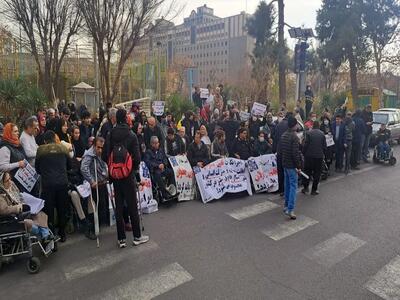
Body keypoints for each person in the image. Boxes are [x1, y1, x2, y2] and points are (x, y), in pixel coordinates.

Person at [106, 108, 148, 248]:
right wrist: (132, 170)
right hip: (128, 175)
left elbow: (106, 154)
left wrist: (112, 170)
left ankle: (121, 239)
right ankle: (137, 236)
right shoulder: (131, 135)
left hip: (115, 175)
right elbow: (137, 158)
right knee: (132, 206)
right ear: (126, 118)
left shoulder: (111, 133)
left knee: (118, 206)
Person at [35, 130, 71, 242]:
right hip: (62, 183)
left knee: (49, 211)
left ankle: (51, 235)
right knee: (62, 208)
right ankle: (62, 233)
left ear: (45, 140)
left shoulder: (40, 150)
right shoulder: (63, 149)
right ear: (55, 138)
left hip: (48, 184)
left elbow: (37, 168)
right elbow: (69, 166)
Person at [0, 171, 52, 245]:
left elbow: (19, 197)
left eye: (10, 179)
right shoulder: (1, 195)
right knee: (31, 223)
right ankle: (45, 236)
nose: (10, 182)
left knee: (39, 213)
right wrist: (18, 207)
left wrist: (24, 203)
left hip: (20, 213)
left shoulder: (12, 186)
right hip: (12, 218)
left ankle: (46, 237)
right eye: (7, 181)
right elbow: (3, 210)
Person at [278, 116, 303, 220]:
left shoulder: (283, 135)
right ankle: (290, 209)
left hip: (285, 164)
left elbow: (280, 151)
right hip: (292, 165)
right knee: (293, 186)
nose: (297, 126)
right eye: (297, 124)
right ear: (294, 125)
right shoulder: (295, 137)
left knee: (287, 185)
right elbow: (295, 154)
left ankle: (286, 206)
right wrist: (299, 166)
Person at [81, 137, 109, 226]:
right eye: (98, 147)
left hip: (103, 181)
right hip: (95, 184)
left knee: (104, 204)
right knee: (98, 205)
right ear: (94, 146)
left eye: (102, 148)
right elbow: (84, 168)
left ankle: (103, 221)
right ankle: (94, 225)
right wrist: (91, 181)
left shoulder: (102, 153)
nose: (100, 150)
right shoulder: (89, 155)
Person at [144, 136, 175, 202]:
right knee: (158, 175)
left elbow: (165, 159)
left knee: (171, 172)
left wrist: (164, 164)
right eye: (155, 143)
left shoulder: (161, 150)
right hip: (155, 171)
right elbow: (148, 163)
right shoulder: (148, 152)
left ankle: (171, 190)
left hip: (163, 168)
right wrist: (157, 166)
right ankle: (165, 194)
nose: (157, 144)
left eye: (157, 143)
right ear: (152, 144)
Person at [0, 123, 29, 192]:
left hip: (23, 181)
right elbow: (2, 166)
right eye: (15, 131)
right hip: (13, 184)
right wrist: (18, 164)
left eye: (18, 131)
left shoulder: (17, 144)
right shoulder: (5, 148)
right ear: (9, 133)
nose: (18, 133)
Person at [302, 121, 327, 195]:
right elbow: (324, 146)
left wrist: (303, 153)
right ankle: (314, 190)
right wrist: (323, 154)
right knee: (317, 173)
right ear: (319, 126)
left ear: (313, 126)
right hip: (319, 156)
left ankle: (306, 188)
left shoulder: (309, 133)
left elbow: (306, 145)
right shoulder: (322, 134)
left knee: (307, 172)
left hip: (309, 156)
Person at [273, 113, 289, 196]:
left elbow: (275, 139)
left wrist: (274, 150)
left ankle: (280, 188)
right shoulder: (289, 126)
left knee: (280, 171)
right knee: (286, 170)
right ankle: (285, 189)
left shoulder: (278, 125)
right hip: (287, 152)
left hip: (279, 151)